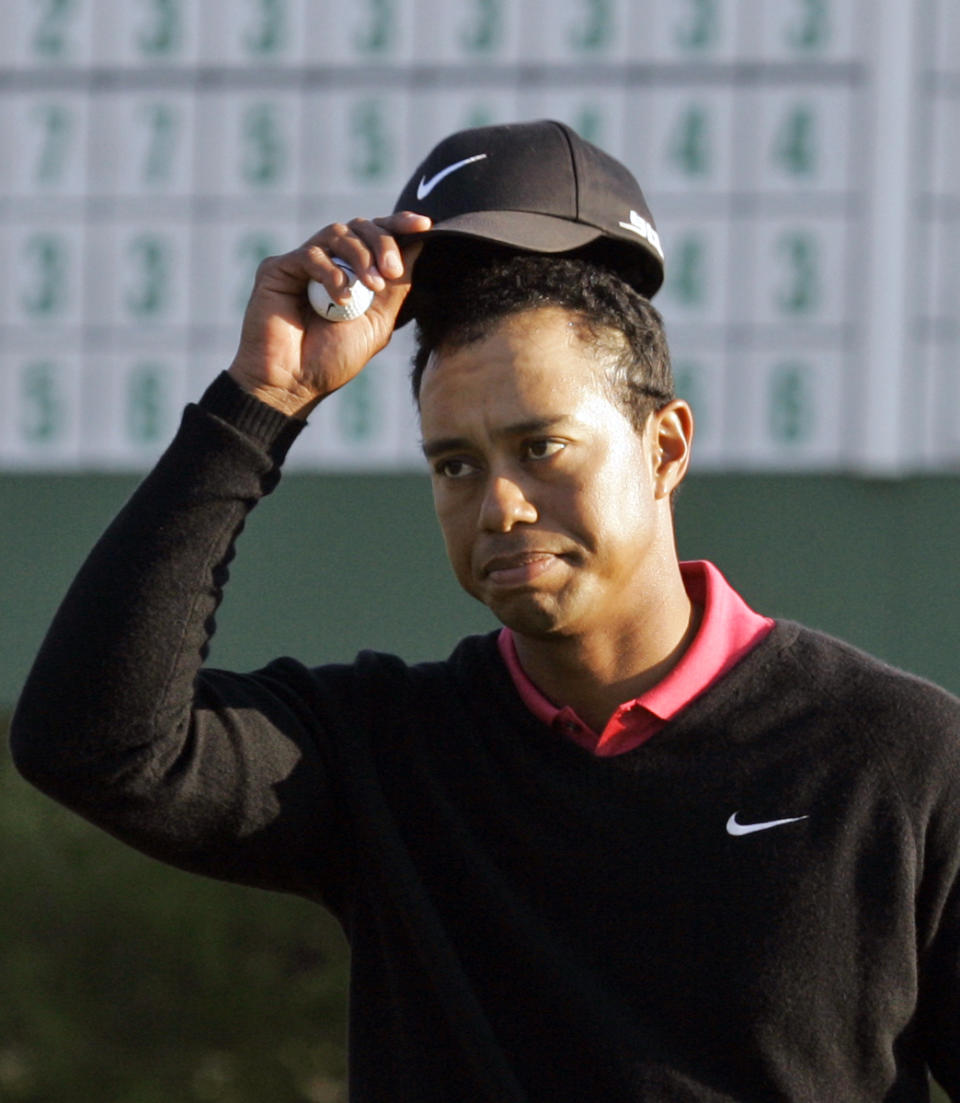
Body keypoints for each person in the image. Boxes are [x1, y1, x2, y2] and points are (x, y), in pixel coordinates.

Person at [10, 120, 960, 1102]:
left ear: (666, 448)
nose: (500, 504)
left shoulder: (903, 752)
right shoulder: (386, 751)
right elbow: (92, 740)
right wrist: (263, 397)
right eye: (456, 464)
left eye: (543, 447)